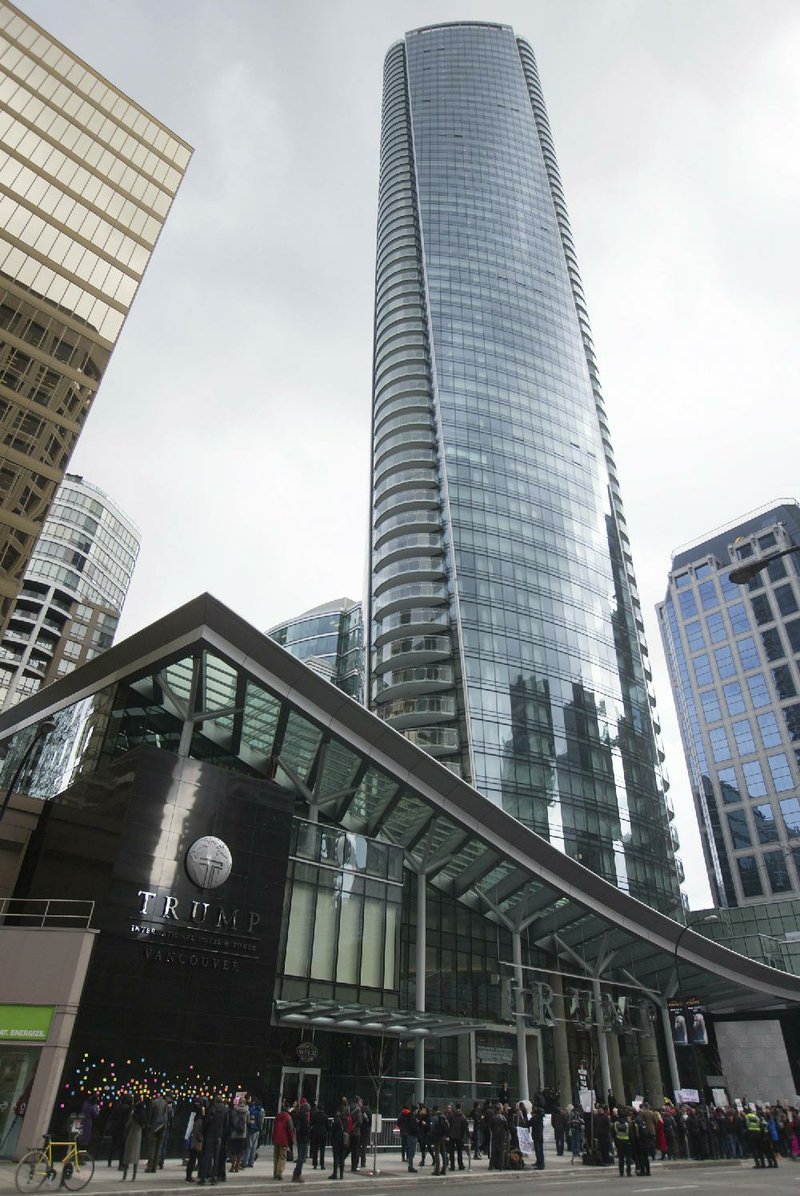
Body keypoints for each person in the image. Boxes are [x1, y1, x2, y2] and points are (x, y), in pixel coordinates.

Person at [121, 1098, 147, 1182]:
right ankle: (134, 1176)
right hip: (138, 1136)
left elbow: (127, 1125)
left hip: (131, 1134)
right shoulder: (143, 1115)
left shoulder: (133, 1114)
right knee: (136, 1155)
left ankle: (124, 1175)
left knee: (127, 1155)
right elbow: (144, 1126)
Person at [145, 1092, 168, 1173]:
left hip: (154, 1127)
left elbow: (150, 1116)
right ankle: (154, 1167)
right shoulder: (165, 1103)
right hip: (162, 1127)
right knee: (159, 1148)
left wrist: (148, 1125)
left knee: (152, 1148)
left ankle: (149, 1167)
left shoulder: (153, 1103)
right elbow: (166, 1116)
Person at [273, 1101, 294, 1181]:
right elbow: (290, 1130)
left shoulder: (278, 1116)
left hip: (276, 1138)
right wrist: (291, 1140)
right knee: (282, 1157)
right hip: (284, 1139)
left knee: (276, 1156)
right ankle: (279, 1173)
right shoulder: (288, 1117)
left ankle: (275, 1172)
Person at [329, 1099, 349, 1181]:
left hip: (337, 1139)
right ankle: (341, 1174)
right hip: (343, 1140)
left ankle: (335, 1173)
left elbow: (332, 1128)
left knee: (336, 1157)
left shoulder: (337, 1120)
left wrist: (336, 1118)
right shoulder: (346, 1120)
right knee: (341, 1157)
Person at [186, 1099, 205, 1183]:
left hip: (191, 1138)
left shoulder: (192, 1114)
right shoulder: (199, 1117)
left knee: (192, 1159)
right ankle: (199, 1175)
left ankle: (189, 1175)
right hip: (196, 1140)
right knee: (196, 1159)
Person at [291, 1097, 310, 1182]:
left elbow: (295, 1125)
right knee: (301, 1157)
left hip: (299, 1137)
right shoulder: (304, 1117)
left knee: (300, 1156)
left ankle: (297, 1173)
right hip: (303, 1138)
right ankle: (297, 1173)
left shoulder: (298, 1115)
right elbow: (305, 1129)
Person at [228, 1097, 248, 1174]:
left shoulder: (234, 1111)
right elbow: (248, 1121)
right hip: (243, 1134)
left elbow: (232, 1121)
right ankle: (237, 1167)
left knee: (233, 1151)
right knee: (240, 1151)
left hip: (234, 1133)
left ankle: (232, 1166)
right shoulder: (247, 1111)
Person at [397, 1102, 418, 1173]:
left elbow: (398, 1122)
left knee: (404, 1145)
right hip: (411, 1134)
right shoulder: (412, 1116)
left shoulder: (402, 1114)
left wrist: (401, 1128)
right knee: (411, 1149)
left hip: (404, 1131)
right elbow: (413, 1127)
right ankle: (409, 1161)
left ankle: (403, 1157)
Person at [613, 1107, 633, 1178]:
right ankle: (628, 1172)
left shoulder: (616, 1123)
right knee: (628, 1158)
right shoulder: (627, 1124)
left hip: (619, 1141)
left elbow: (615, 1132)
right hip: (626, 1141)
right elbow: (629, 1133)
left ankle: (621, 1172)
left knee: (621, 1158)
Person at [429, 1105, 449, 1175]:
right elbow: (448, 1125)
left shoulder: (434, 1117)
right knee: (443, 1152)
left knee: (437, 1152)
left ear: (433, 1110)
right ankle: (444, 1169)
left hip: (436, 1137)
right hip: (443, 1136)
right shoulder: (443, 1116)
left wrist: (431, 1134)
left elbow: (432, 1128)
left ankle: (437, 1170)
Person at [245, 1095, 264, 1169]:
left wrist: (251, 1127)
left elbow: (251, 1119)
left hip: (252, 1129)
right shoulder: (261, 1110)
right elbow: (261, 1121)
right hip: (258, 1130)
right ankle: (251, 1162)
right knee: (254, 1147)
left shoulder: (253, 1109)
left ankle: (245, 1161)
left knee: (248, 1146)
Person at [447, 1103, 466, 1171]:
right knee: (459, 1151)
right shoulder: (463, 1116)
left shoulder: (452, 1115)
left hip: (452, 1135)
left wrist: (448, 1134)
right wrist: (462, 1135)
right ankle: (460, 1165)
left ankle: (452, 1166)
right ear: (460, 1107)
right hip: (459, 1136)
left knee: (451, 1152)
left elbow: (448, 1125)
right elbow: (464, 1127)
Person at [489, 1104, 508, 1171]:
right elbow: (506, 1127)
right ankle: (501, 1166)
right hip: (502, 1135)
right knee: (501, 1151)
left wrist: (494, 1131)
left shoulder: (493, 1117)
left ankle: (491, 1166)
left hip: (495, 1135)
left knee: (494, 1151)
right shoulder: (503, 1117)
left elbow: (490, 1126)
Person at [310, 1102, 327, 1171]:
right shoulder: (325, 1116)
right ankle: (322, 1165)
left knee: (315, 1149)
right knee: (322, 1150)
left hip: (315, 1133)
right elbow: (327, 1126)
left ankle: (315, 1164)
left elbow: (311, 1123)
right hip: (323, 1134)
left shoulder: (315, 1116)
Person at [349, 1097, 363, 1172]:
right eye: (361, 1101)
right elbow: (360, 1122)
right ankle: (354, 1166)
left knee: (350, 1149)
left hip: (350, 1131)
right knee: (356, 1150)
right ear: (358, 1102)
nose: (361, 1103)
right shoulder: (358, 1110)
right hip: (356, 1132)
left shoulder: (350, 1108)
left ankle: (340, 1161)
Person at [359, 1102, 372, 1169]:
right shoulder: (369, 1111)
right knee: (364, 1147)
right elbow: (370, 1123)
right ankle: (363, 1162)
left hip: (360, 1130)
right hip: (366, 1130)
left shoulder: (360, 1110)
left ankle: (356, 1161)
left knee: (358, 1146)